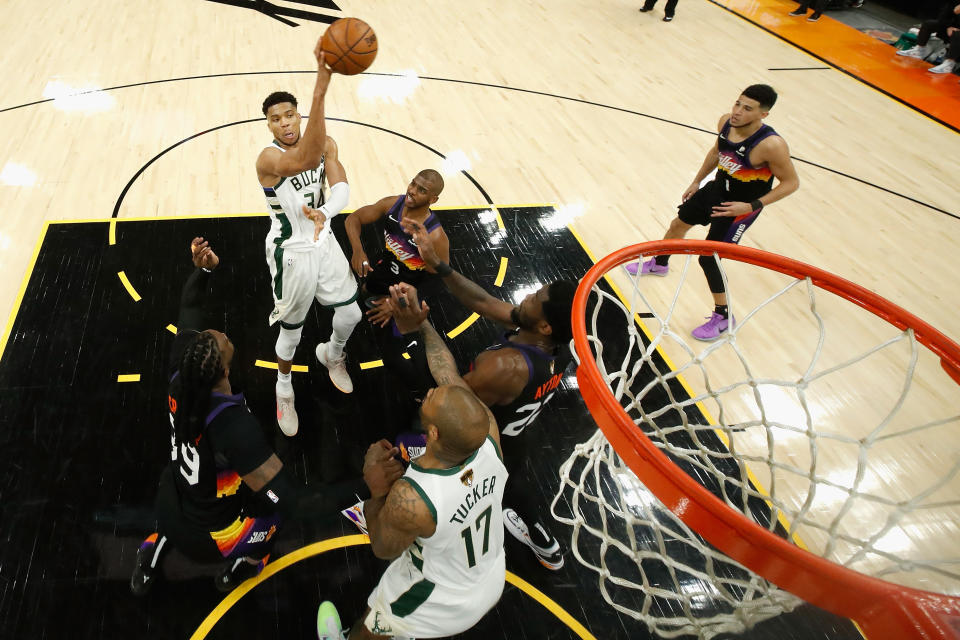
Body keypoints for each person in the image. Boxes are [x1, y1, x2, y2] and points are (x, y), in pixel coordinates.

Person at [318, 284, 507, 639]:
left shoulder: (413, 498)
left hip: (440, 596)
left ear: (432, 433)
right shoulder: (487, 436)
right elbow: (445, 370)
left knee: (376, 622)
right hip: (489, 571)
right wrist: (421, 322)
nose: (434, 389)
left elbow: (382, 546)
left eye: (432, 400)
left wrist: (375, 487)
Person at [394, 218, 576, 570]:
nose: (527, 294)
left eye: (536, 298)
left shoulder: (505, 367)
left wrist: (419, 325)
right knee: (517, 485)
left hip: (484, 443)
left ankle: (436, 543)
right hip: (518, 435)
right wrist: (438, 266)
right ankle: (545, 542)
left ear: (545, 326)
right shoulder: (557, 342)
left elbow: (452, 398)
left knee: (417, 444)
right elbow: (482, 301)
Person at [130, 238, 303, 596]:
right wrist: (362, 489)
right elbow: (291, 499)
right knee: (273, 519)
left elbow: (190, 305)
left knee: (187, 482)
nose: (221, 333)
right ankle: (242, 568)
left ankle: (150, 553)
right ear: (223, 368)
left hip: (170, 497)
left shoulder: (183, 369)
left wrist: (203, 270)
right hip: (211, 538)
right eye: (220, 338)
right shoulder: (233, 425)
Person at [626, 84, 800, 341]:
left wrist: (751, 206)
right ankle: (660, 264)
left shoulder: (772, 145)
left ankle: (724, 316)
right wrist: (696, 181)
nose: (738, 111)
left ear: (763, 115)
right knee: (678, 224)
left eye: (747, 108)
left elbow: (791, 183)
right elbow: (717, 152)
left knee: (709, 258)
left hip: (739, 208)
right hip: (716, 190)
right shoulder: (726, 123)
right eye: (737, 103)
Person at [256, 40, 362, 437]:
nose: (284, 122)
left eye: (289, 114)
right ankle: (283, 387)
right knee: (292, 332)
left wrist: (327, 213)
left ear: (297, 115)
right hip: (292, 251)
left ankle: (332, 354)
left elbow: (342, 186)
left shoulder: (326, 143)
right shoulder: (267, 160)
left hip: (323, 237)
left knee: (351, 313)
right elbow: (301, 160)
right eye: (275, 118)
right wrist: (322, 85)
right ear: (268, 125)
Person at [344, 169, 450, 304]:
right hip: (386, 267)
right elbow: (353, 219)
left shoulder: (435, 236)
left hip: (408, 288)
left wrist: (397, 303)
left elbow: (436, 281)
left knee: (389, 320)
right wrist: (358, 250)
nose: (412, 190)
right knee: (365, 291)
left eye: (422, 190)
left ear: (433, 199)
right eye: (413, 184)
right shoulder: (391, 204)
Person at [897, 2, 960, 75]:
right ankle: (920, 51)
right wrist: (949, 26)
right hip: (951, 28)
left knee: (957, 35)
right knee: (929, 24)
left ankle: (949, 64)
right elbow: (943, 17)